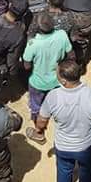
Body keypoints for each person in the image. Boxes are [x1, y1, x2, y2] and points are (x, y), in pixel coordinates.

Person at [22, 11, 73, 141]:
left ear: (38, 27)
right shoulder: (62, 35)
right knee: (58, 105)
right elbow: (71, 55)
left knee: (36, 107)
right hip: (57, 80)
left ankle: (39, 133)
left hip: (38, 83)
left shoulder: (33, 43)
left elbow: (26, 66)